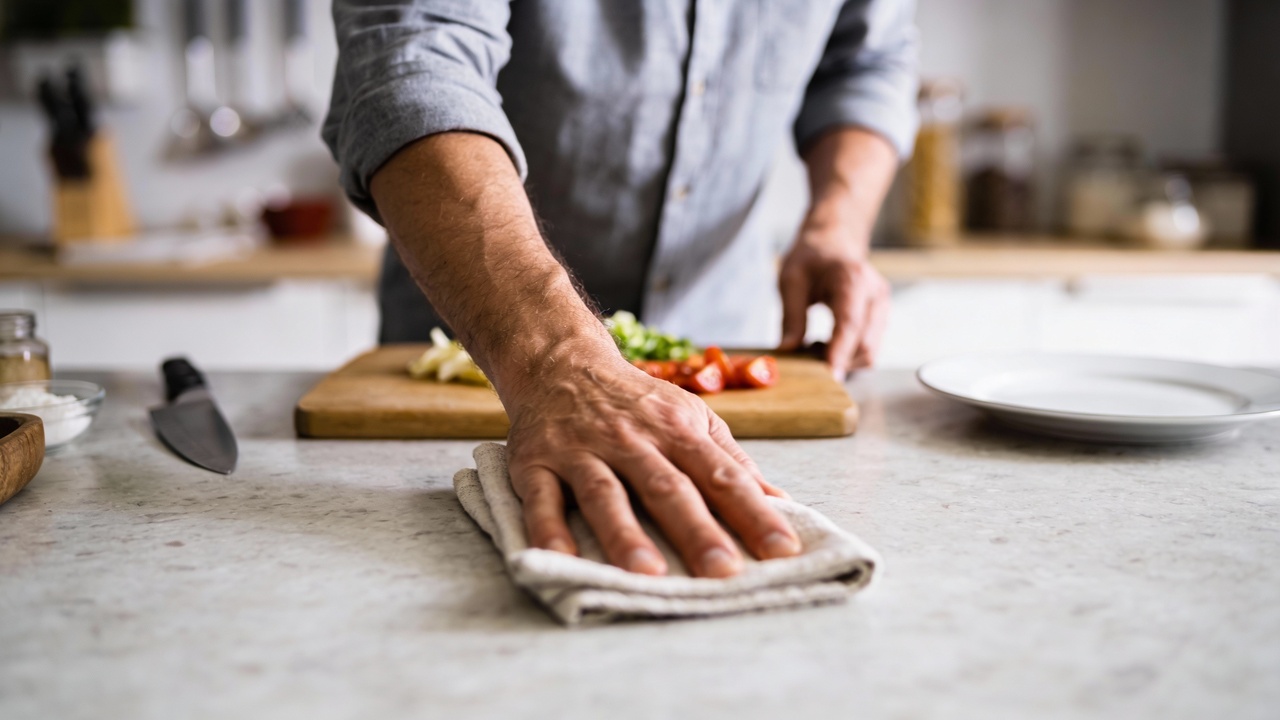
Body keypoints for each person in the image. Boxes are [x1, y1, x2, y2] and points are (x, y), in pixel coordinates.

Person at [324, 1, 918, 579]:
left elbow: (866, 64)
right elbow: (412, 62)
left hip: (721, 322)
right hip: (489, 345)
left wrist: (835, 227)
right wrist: (561, 363)